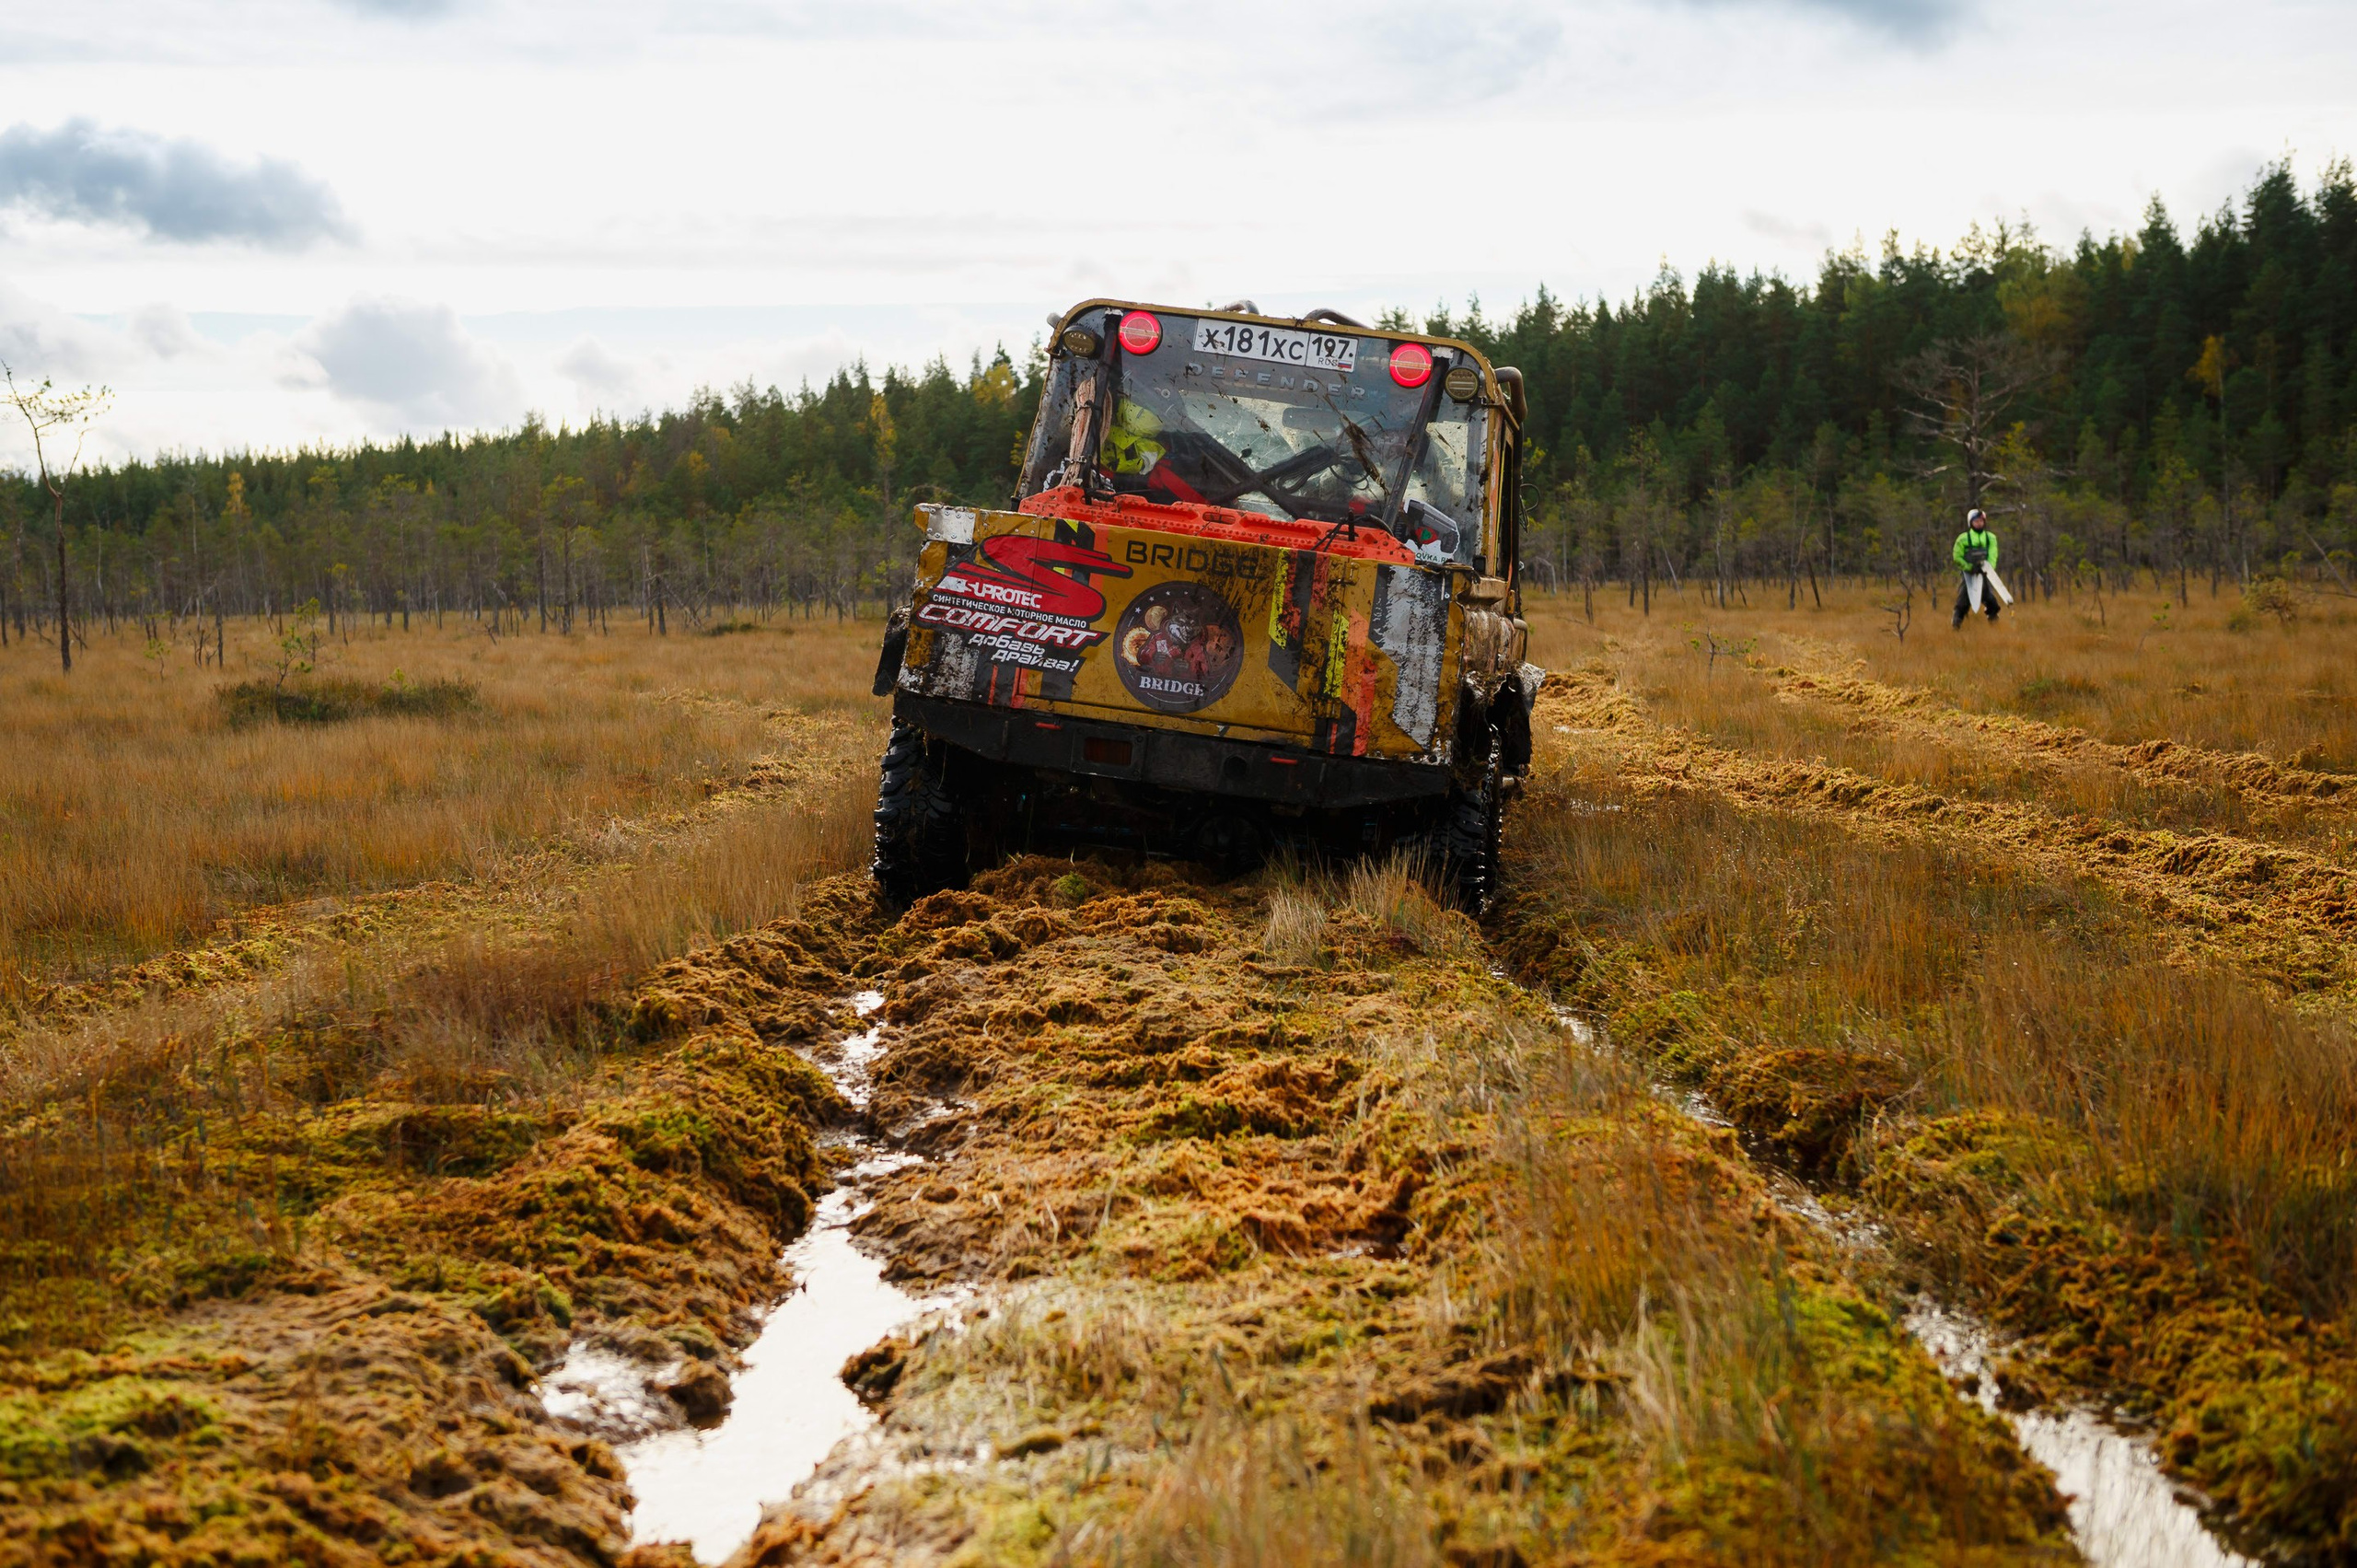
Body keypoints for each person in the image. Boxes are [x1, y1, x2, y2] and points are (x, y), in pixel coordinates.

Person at [1952, 508, 2001, 627]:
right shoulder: (1963, 538)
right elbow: (1957, 556)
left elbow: (1993, 555)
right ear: (1971, 522)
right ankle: (1956, 626)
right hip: (1968, 574)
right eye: (1976, 521)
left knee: (1991, 601)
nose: (1979, 523)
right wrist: (1969, 567)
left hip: (1984, 574)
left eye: (1981, 521)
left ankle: (1994, 622)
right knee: (1962, 602)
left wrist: (1987, 568)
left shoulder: (1991, 538)